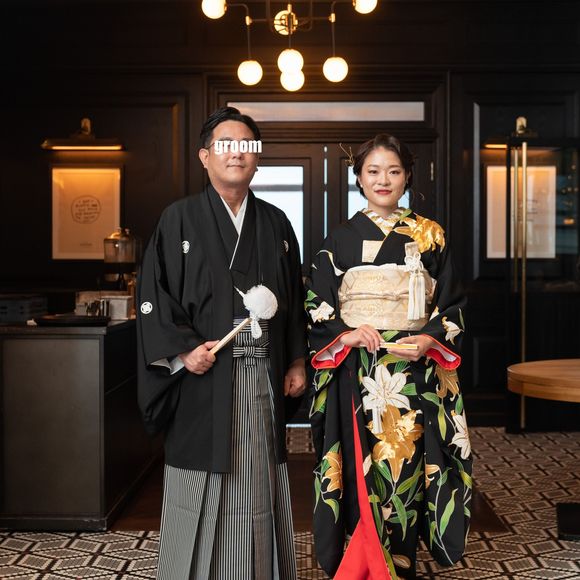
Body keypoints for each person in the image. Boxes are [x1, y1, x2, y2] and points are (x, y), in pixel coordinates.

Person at [136, 106, 307, 579]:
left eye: (246, 145)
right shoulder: (178, 219)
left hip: (262, 374)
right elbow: (154, 295)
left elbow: (293, 299)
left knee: (257, 477)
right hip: (202, 371)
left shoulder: (276, 223)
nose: (237, 153)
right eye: (225, 144)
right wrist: (182, 351)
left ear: (257, 158)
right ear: (204, 156)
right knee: (198, 476)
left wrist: (296, 360)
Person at [305, 134, 472, 580]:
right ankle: (366, 559)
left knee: (408, 467)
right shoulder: (338, 239)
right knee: (362, 467)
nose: (383, 180)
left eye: (394, 171)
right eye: (373, 171)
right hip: (359, 371)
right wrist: (346, 333)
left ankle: (402, 561)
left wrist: (430, 339)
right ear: (359, 178)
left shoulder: (430, 234)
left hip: (414, 370)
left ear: (407, 176)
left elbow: (453, 302)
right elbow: (317, 306)